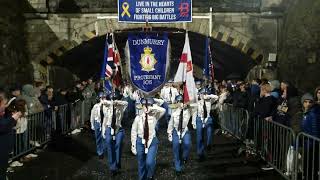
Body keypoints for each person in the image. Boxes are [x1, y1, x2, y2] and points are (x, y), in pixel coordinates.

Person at [131, 97, 165, 180]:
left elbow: (163, 110)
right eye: (144, 105)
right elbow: (133, 132)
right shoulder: (138, 118)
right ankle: (142, 178)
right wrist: (133, 145)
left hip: (151, 141)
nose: (146, 107)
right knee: (141, 162)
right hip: (140, 141)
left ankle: (150, 175)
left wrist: (152, 105)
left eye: (148, 105)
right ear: (141, 106)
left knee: (149, 162)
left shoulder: (155, 116)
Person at [167, 95, 194, 175]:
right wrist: (169, 133)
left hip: (185, 130)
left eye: (182, 101)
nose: (181, 103)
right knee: (176, 148)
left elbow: (195, 106)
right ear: (177, 103)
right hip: (176, 131)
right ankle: (177, 168)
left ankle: (184, 157)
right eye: (179, 102)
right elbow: (171, 124)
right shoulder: (174, 113)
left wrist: (188, 103)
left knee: (187, 144)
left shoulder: (189, 111)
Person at [102, 92, 128, 176]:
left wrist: (117, 102)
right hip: (109, 128)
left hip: (118, 128)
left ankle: (117, 162)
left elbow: (126, 103)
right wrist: (103, 130)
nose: (113, 100)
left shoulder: (121, 107)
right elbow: (105, 120)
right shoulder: (106, 107)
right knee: (109, 144)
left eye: (115, 99)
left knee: (118, 145)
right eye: (112, 99)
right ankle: (112, 167)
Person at [0, 90, 23, 180]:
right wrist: (13, 118)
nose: (5, 107)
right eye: (3, 104)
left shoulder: (3, 113)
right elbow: (2, 126)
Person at [193, 88, 218, 161]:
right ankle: (200, 153)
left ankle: (208, 145)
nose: (204, 95)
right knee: (199, 137)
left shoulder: (210, 100)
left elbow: (216, 97)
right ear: (200, 94)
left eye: (205, 94)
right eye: (203, 94)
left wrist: (209, 96)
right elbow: (194, 111)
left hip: (208, 118)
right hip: (199, 119)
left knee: (210, 131)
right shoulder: (197, 101)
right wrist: (193, 122)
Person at [300, 93, 320, 180]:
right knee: (307, 165)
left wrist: (313, 143)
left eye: (310, 102)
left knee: (311, 166)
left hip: (311, 144)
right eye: (305, 102)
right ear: (303, 103)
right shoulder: (306, 113)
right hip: (307, 143)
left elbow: (315, 130)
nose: (308, 104)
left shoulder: (313, 114)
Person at [90, 92, 108, 159]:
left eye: (104, 97)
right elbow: (92, 116)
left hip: (105, 123)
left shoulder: (108, 106)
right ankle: (100, 152)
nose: (103, 99)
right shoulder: (96, 106)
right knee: (98, 138)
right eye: (101, 98)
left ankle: (103, 150)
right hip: (97, 123)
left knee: (104, 137)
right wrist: (92, 124)